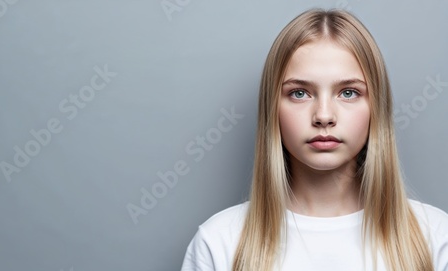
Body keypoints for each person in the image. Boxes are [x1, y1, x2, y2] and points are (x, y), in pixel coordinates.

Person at [180, 8, 448, 271]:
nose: (323, 116)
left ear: (376, 107)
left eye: (348, 93)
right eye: (299, 93)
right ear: (272, 107)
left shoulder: (436, 238)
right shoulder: (219, 243)